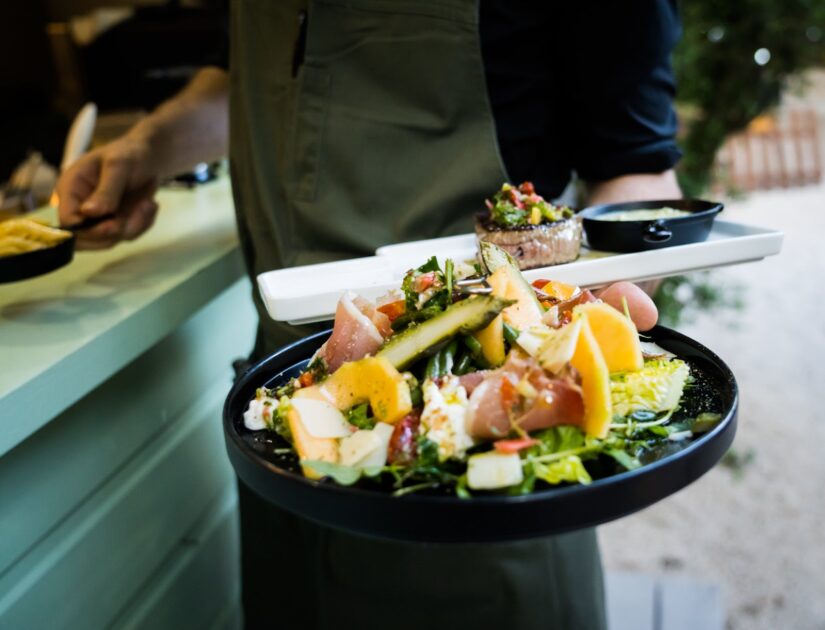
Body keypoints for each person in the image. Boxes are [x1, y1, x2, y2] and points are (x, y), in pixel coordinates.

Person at [56, 2, 683, 628]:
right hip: (281, 439)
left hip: (462, 476)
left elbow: (636, 165)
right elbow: (242, 76)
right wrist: (145, 149)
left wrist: (575, 326)